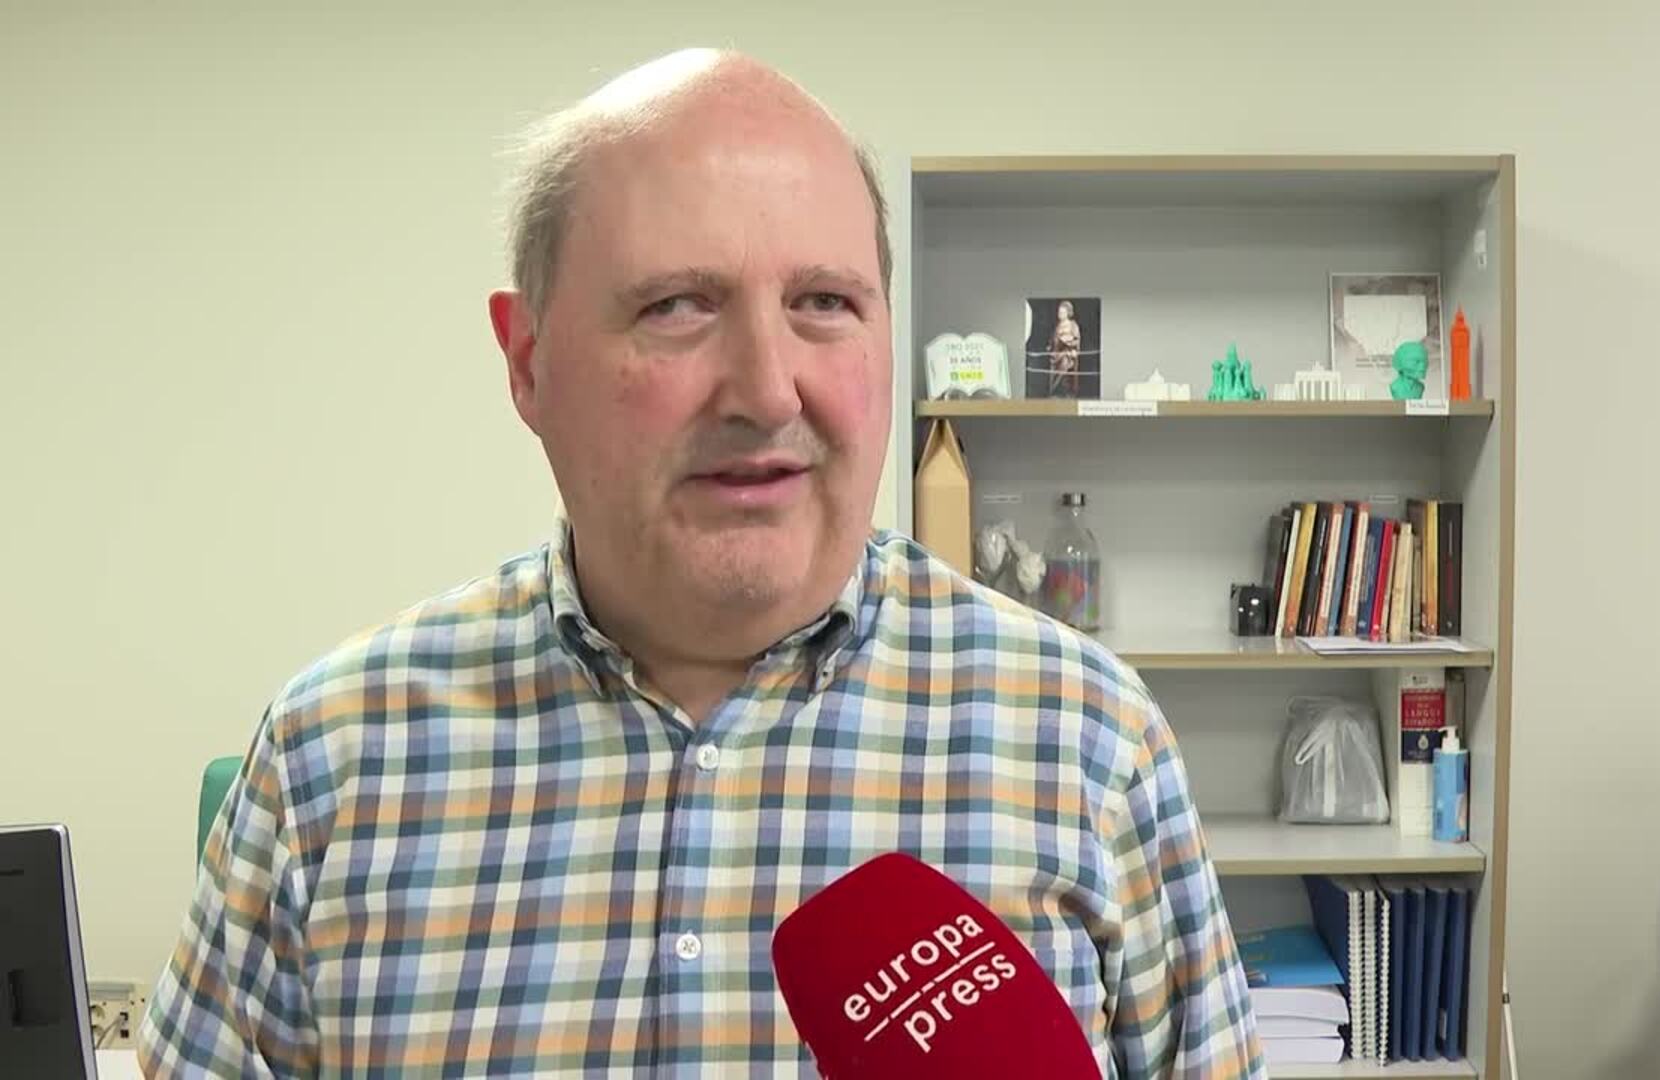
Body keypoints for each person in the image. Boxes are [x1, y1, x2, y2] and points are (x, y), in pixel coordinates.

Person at [138, 49, 1264, 1078]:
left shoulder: (1091, 740)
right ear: (527, 361)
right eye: (676, 306)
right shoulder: (329, 760)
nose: (767, 391)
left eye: (824, 302)